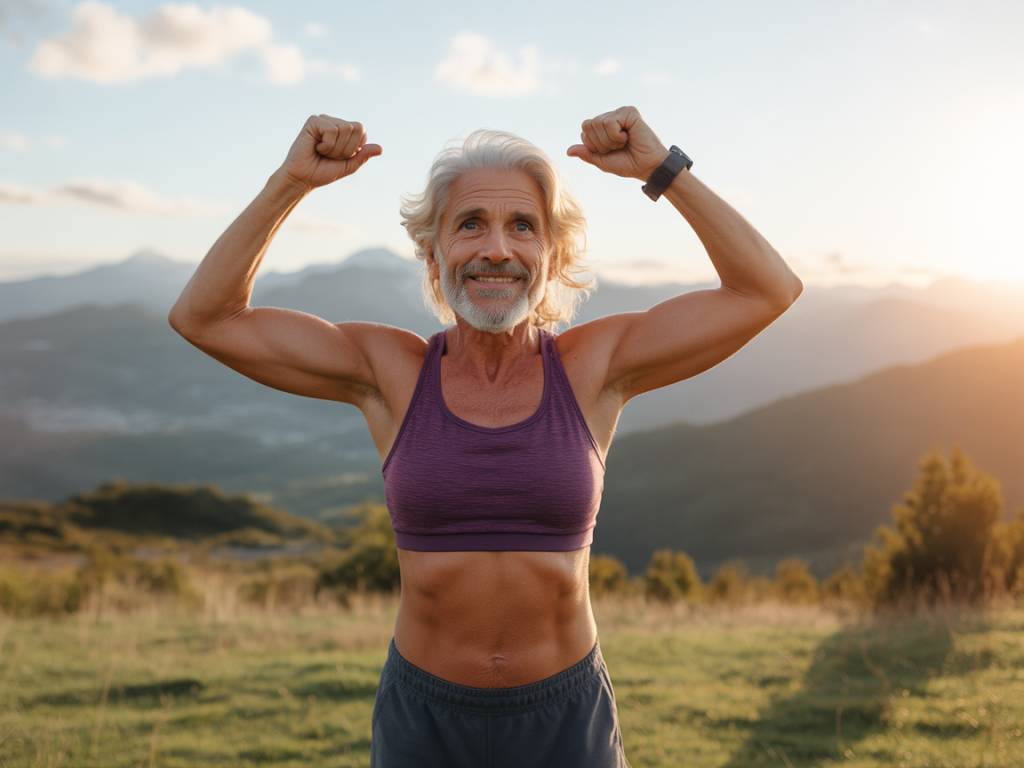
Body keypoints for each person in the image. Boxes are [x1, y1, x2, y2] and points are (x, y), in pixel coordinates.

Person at [168, 106, 803, 767]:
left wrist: (660, 168)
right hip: (425, 724)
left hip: (565, 721)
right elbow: (205, 316)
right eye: (471, 224)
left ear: (551, 255)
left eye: (522, 226)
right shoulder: (388, 372)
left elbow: (767, 289)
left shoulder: (595, 366)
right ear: (432, 250)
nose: (496, 248)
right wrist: (290, 182)